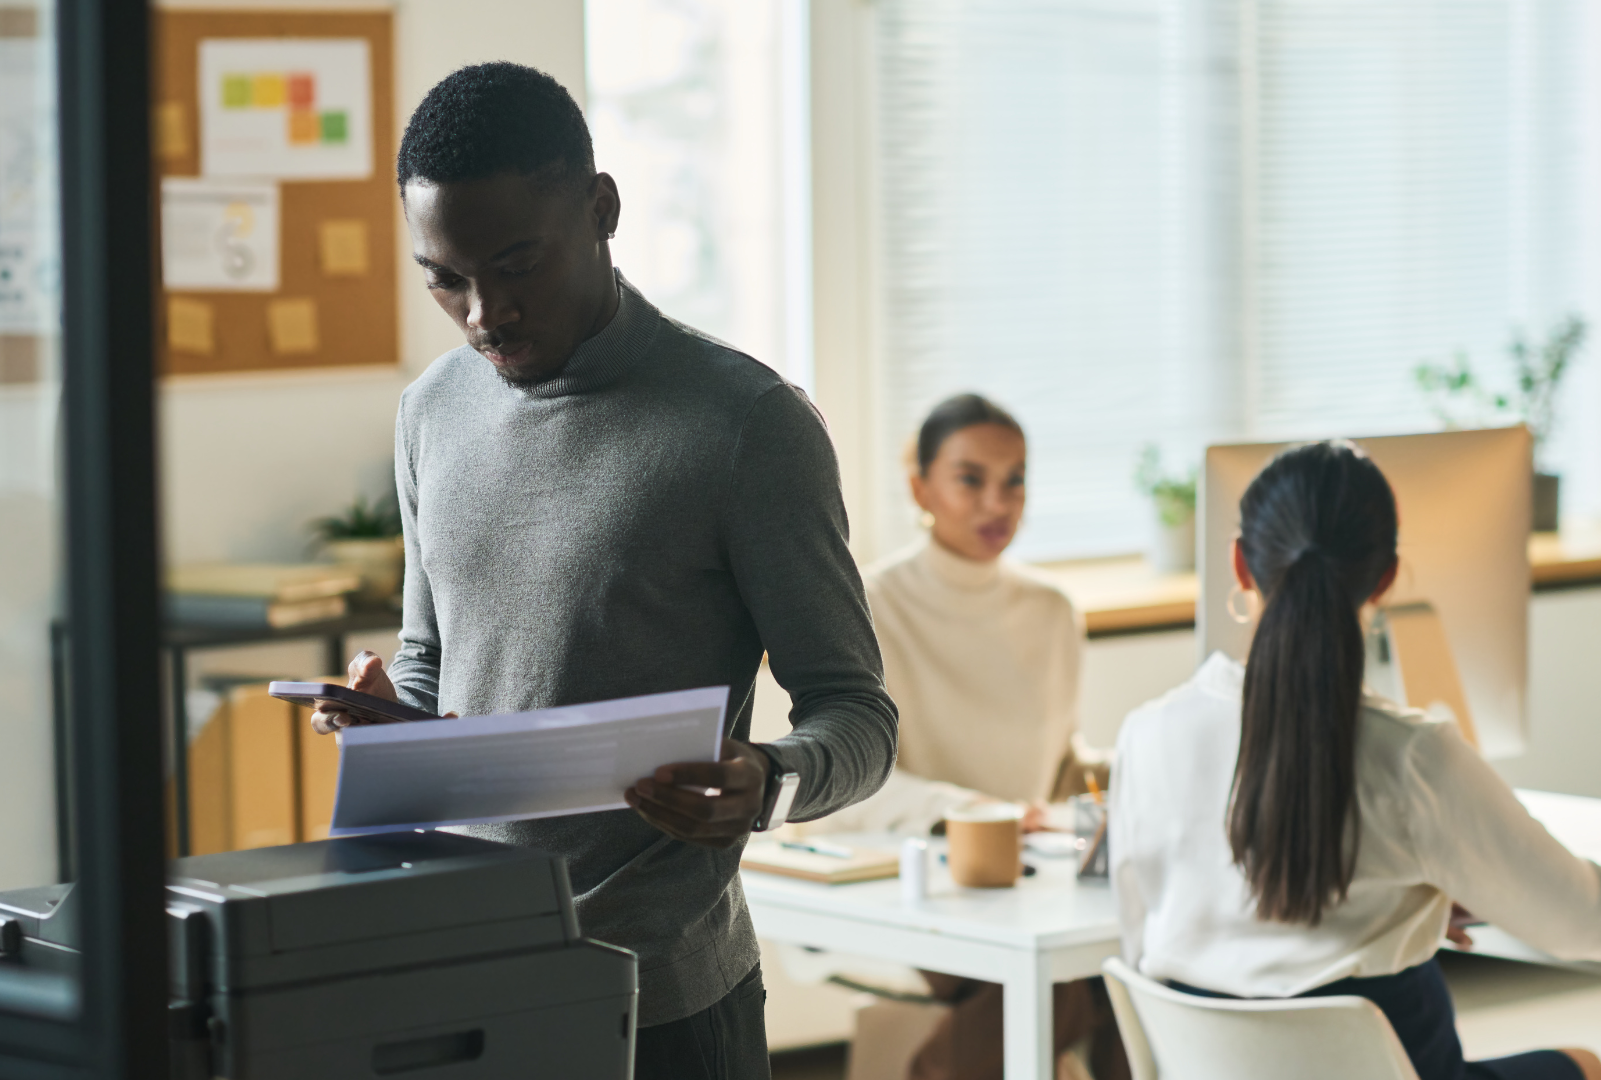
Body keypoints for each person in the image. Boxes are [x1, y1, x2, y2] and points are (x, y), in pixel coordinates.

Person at [307, 63, 898, 1079]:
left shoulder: (746, 427)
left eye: (516, 262)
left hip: (661, 1007)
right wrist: (393, 726)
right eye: (446, 278)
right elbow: (430, 660)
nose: (484, 311)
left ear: (602, 209)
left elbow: (858, 715)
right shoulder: (431, 413)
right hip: (459, 983)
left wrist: (765, 781)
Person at [1109, 440, 1601, 1080]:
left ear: (1240, 565)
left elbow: (1140, 935)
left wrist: (1414, 907)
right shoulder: (1415, 757)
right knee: (1583, 1068)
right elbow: (1594, 924)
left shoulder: (1147, 734)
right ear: (1386, 577)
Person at [815, 393, 1125, 1080]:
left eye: (1015, 479)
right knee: (1065, 986)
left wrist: (1147, 768)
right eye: (971, 478)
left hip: (1029, 881)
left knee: (1135, 966)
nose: (999, 501)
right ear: (919, 486)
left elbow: (1059, 766)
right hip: (909, 875)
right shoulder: (869, 604)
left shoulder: (1052, 611)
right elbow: (848, 783)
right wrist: (984, 817)